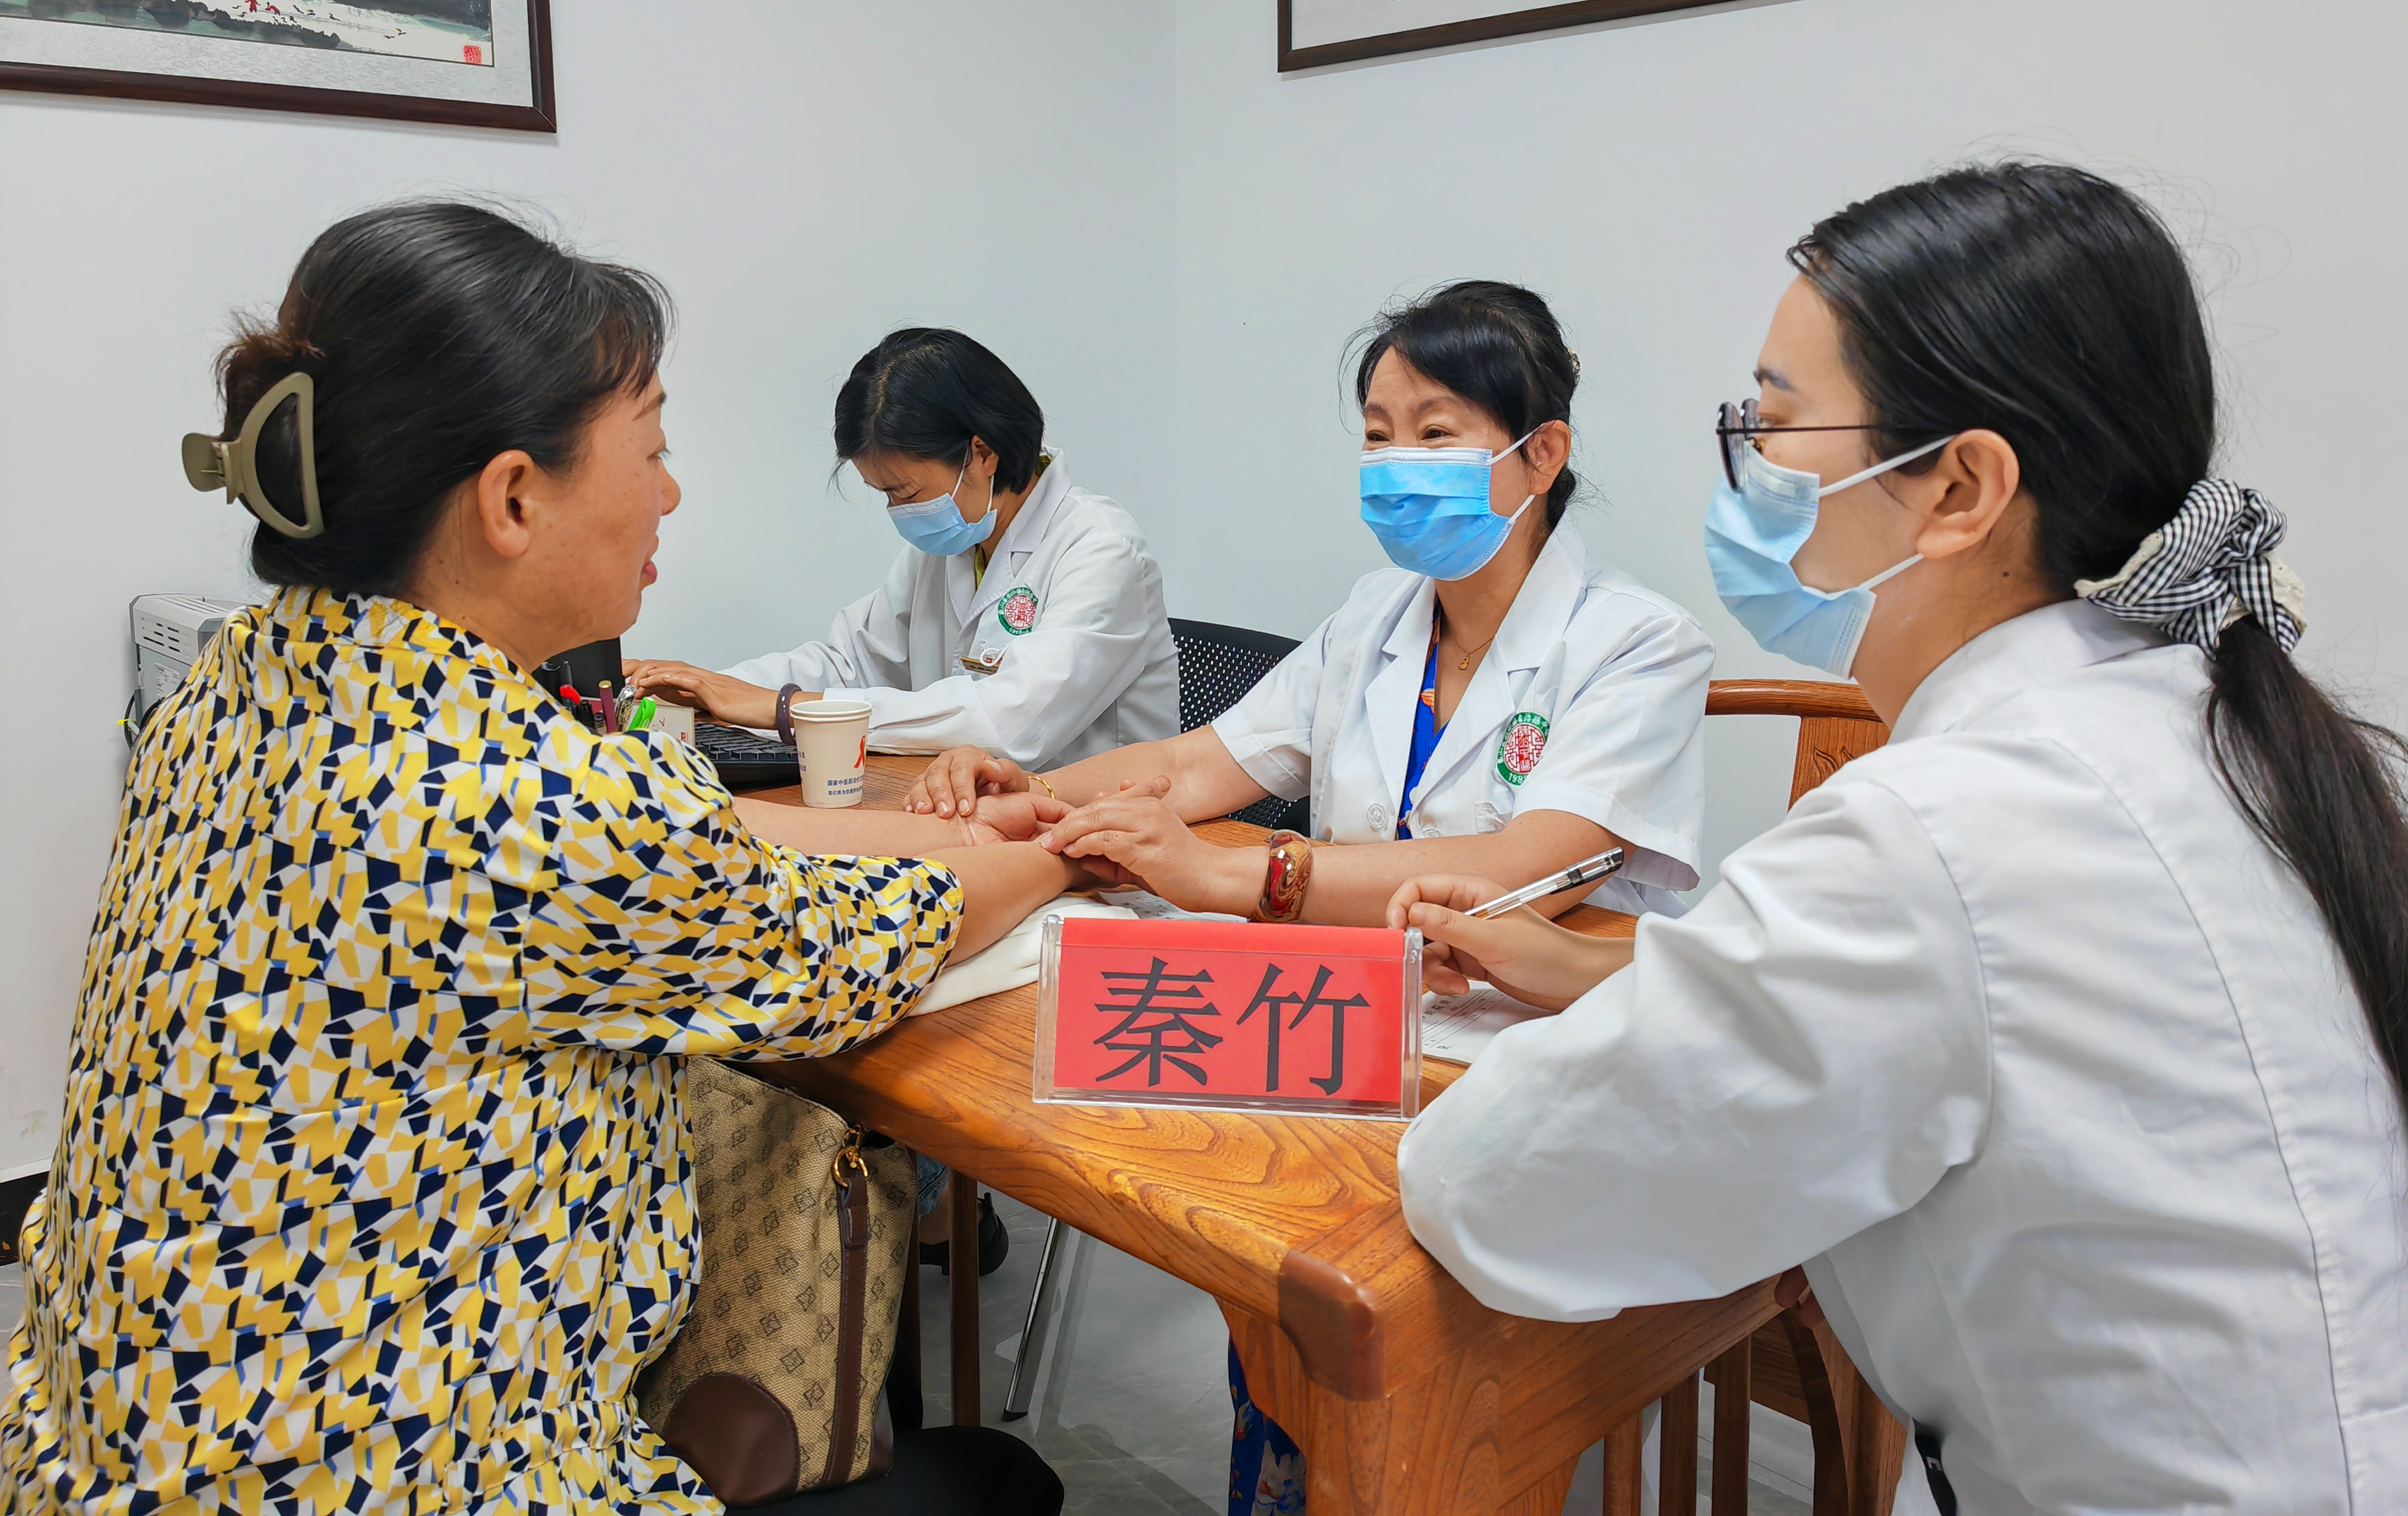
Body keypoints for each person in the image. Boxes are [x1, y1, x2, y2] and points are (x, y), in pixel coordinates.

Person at [1394, 164, 2408, 1514]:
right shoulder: (2208, 729)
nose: (1748, 470)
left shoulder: (1941, 828)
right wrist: (1605, 978)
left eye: (1773, 424)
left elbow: (1499, 1188)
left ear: (1957, 489)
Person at [0, 205, 1068, 1516]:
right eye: (654, 448)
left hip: (123, 1446)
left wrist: (955, 824)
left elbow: (687, 823)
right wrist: (1058, 851)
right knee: (992, 1484)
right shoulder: (530, 805)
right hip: (396, 1477)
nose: (670, 492)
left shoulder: (234, 690)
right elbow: (866, 931)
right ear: (512, 497)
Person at [908, 280, 1713, 1516]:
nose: (1393, 465)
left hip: (1524, 1046)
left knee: (1412, 1354)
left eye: (1434, 433)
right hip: (1345, 1024)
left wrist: (1240, 875)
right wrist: (1037, 786)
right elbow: (1202, 763)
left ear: (1540, 452)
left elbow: (1523, 869)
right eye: (1377, 434)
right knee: (1254, 1258)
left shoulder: (1635, 642)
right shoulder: (1373, 616)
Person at [626, 326, 1176, 769]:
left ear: (982, 453)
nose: (899, 512)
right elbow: (853, 662)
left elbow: (1012, 723)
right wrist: (705, 687)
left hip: (1101, 840)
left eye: (905, 493)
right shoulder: (957, 540)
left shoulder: (1102, 551)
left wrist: (784, 709)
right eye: (884, 495)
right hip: (981, 810)